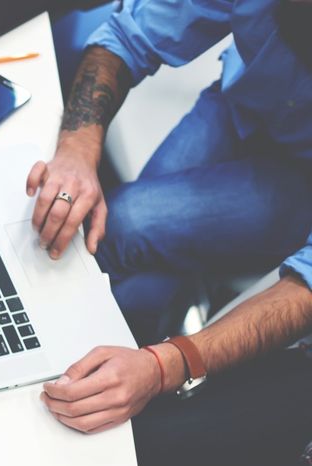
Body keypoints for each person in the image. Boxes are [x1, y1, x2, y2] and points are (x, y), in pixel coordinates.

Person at [26, 0, 312, 342]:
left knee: (120, 224)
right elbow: (128, 35)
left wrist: (175, 364)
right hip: (241, 104)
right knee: (142, 284)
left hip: (302, 178)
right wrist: (77, 147)